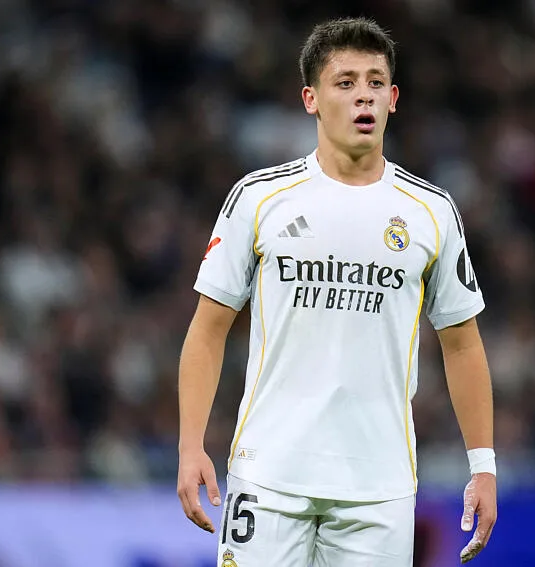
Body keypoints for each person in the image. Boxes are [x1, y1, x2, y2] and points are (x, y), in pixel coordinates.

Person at [177, 17, 497, 566]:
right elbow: (207, 330)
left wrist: (483, 466)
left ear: (393, 99)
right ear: (311, 99)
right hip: (269, 475)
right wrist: (189, 446)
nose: (362, 95)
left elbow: (463, 342)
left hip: (379, 486)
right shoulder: (258, 199)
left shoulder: (431, 211)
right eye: (345, 82)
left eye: (375, 82)